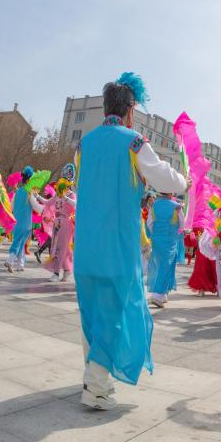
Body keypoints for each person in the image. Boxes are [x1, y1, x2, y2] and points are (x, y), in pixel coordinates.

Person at [73, 72, 186, 410]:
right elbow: (165, 178)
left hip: (86, 245)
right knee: (113, 312)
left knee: (91, 312)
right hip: (117, 246)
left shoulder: (84, 144)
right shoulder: (134, 142)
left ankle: (94, 375)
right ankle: (95, 388)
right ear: (130, 110)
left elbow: (80, 183)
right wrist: (184, 181)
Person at [146, 192, 184, 308]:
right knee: (166, 265)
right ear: (171, 192)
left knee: (160, 264)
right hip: (170, 239)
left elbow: (149, 224)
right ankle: (157, 294)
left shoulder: (154, 205)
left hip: (157, 239)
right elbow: (182, 224)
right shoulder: (177, 206)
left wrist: (156, 234)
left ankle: (163, 294)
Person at [4, 167, 42, 272]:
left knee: (21, 242)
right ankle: (9, 260)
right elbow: (36, 206)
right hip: (26, 223)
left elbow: (11, 207)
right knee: (18, 242)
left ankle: (20, 264)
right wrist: (45, 209)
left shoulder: (18, 192)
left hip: (16, 222)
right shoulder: (30, 192)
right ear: (29, 179)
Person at [44, 179, 77, 282]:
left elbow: (76, 204)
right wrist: (36, 197)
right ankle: (67, 269)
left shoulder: (71, 195)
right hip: (57, 223)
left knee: (61, 248)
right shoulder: (58, 194)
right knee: (57, 247)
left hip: (66, 223)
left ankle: (56, 273)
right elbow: (48, 203)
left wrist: (65, 198)